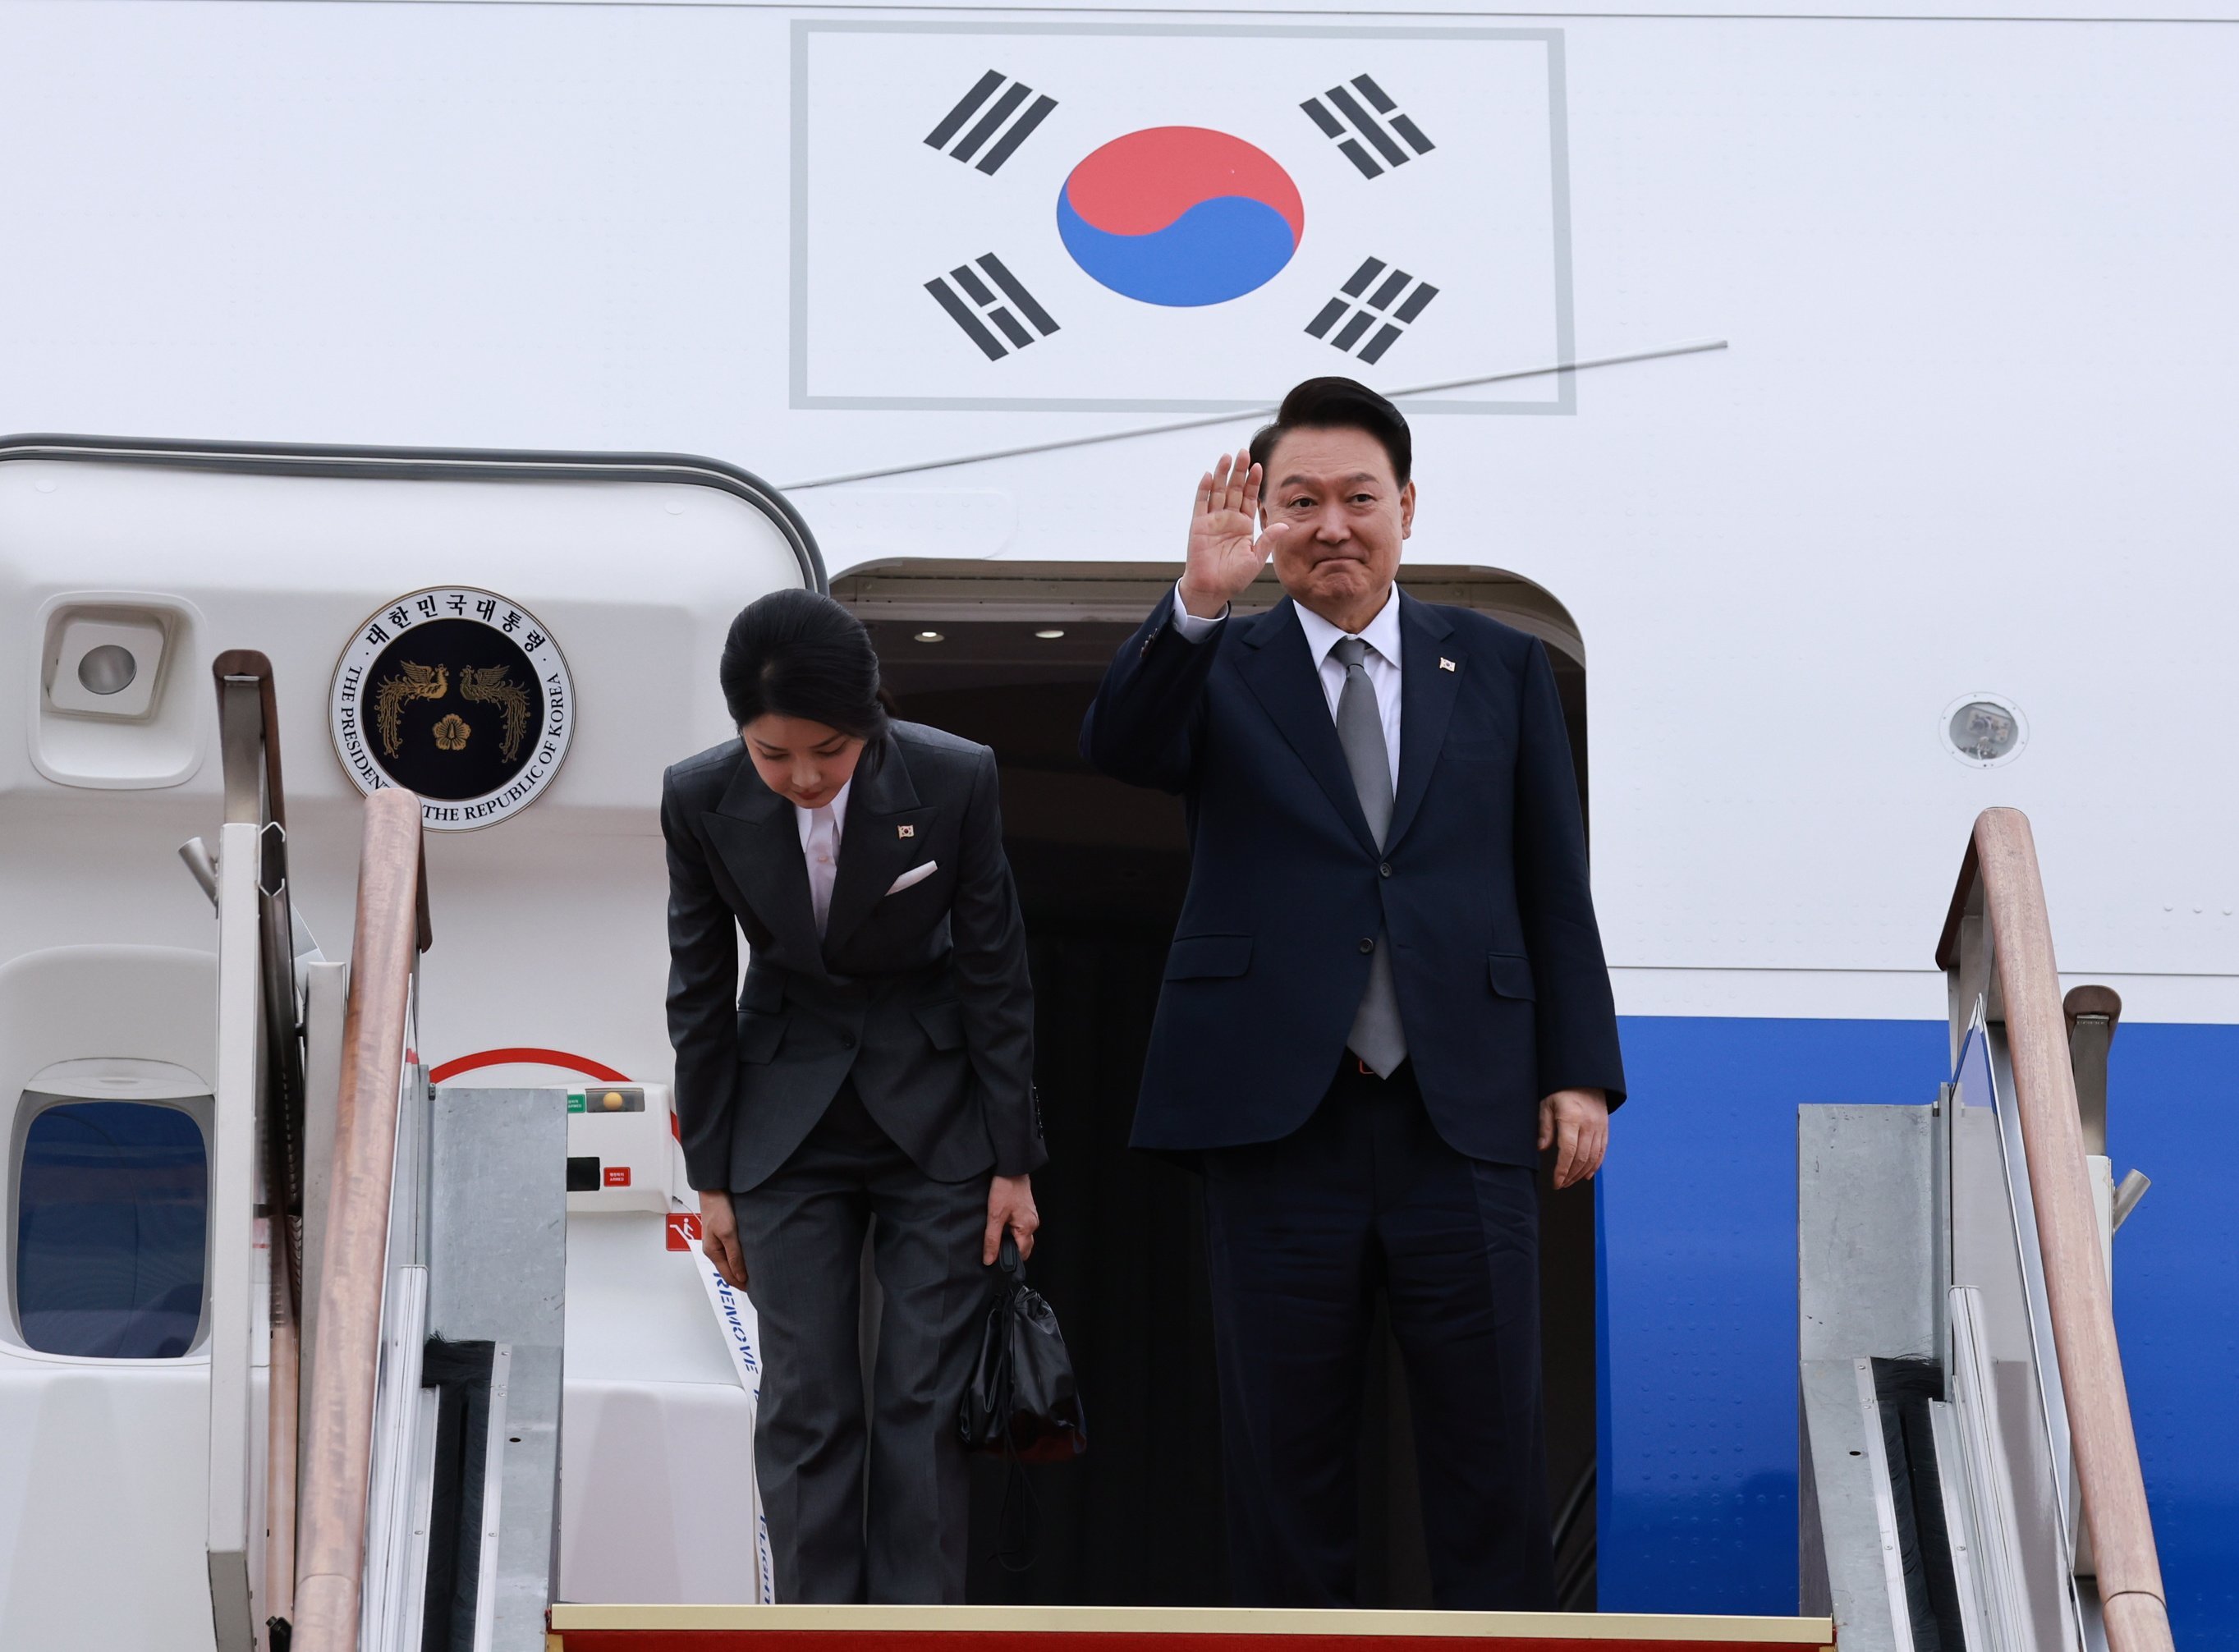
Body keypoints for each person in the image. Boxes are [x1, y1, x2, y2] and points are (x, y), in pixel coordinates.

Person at [1080, 377, 1625, 1609]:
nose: (1331, 524)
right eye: (1299, 501)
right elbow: (1116, 751)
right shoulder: (1220, 655)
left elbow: (1551, 878)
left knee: (1488, 1449)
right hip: (1276, 1115)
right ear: (1262, 516)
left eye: (1357, 498)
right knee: (1285, 1457)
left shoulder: (1498, 663)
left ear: (1406, 508)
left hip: (1464, 1106)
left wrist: (1576, 1066)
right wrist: (1195, 602)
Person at [662, 588, 1044, 1604]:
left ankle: (917, 1632)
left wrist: (1015, 1159)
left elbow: (996, 970)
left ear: (871, 719)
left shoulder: (956, 775)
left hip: (939, 1117)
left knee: (920, 1398)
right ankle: (812, 1630)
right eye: (771, 753)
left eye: (827, 750)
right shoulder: (696, 796)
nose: (801, 776)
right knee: (805, 1398)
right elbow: (697, 989)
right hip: (783, 1122)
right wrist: (712, 1176)